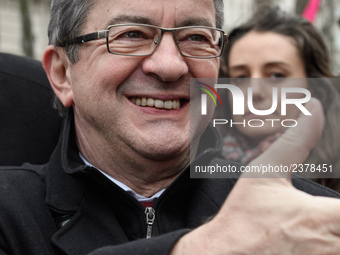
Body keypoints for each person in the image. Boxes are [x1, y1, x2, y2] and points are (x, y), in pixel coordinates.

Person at [1, 1, 340, 254]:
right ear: (61, 73)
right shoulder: (10, 214)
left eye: (195, 37)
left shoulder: (308, 220)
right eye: (131, 34)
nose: (170, 65)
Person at [219, 5, 340, 192]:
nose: (254, 91)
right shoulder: (189, 173)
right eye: (240, 77)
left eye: (276, 75)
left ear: (314, 87)